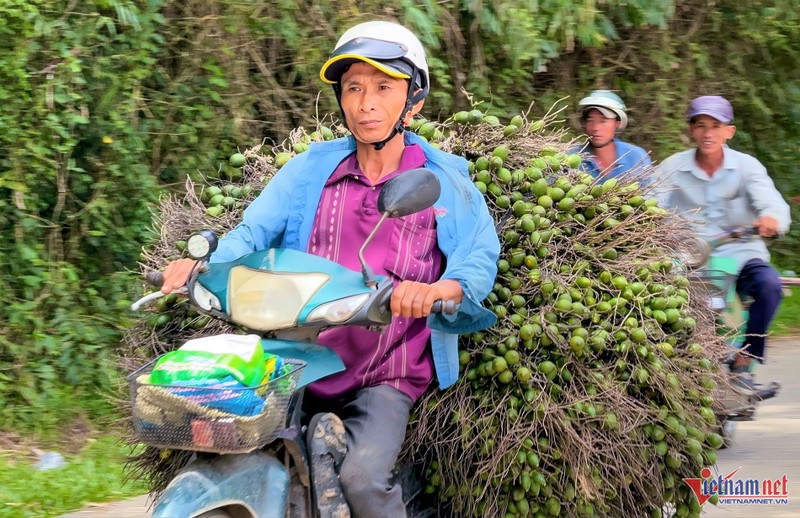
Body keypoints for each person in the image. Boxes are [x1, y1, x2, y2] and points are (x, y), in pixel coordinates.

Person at [160, 20, 500, 518]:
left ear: (415, 100)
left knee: (362, 482)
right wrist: (202, 264)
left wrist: (439, 289)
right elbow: (253, 233)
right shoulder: (309, 171)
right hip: (299, 358)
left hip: (386, 370)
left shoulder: (444, 180)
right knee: (229, 440)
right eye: (353, 88)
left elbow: (478, 254)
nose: (366, 103)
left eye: (384, 88)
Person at [654, 95, 790, 389]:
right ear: (691, 130)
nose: (708, 133)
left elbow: (773, 203)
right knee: (665, 305)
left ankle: (744, 361)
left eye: (716, 126)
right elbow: (650, 204)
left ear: (730, 131)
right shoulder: (673, 167)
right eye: (701, 125)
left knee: (769, 286)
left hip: (741, 254)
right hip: (691, 258)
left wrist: (771, 218)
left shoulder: (747, 167)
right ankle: (677, 369)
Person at [576, 90, 652, 179]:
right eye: (590, 120)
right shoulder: (571, 157)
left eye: (603, 121)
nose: (595, 128)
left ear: (617, 123)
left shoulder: (636, 157)